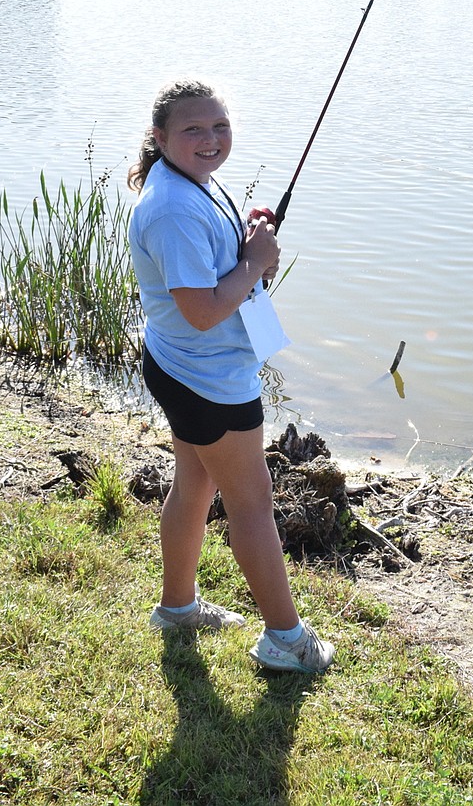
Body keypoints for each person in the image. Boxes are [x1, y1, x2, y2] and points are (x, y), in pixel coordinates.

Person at [127, 77, 334, 675]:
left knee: (195, 483)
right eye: (193, 129)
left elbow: (212, 275)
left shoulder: (189, 182)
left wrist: (246, 239)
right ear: (161, 138)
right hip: (206, 379)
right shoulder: (170, 208)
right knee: (254, 507)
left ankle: (177, 608)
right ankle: (287, 642)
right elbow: (201, 312)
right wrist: (253, 263)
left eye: (219, 126)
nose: (210, 139)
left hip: (185, 368)